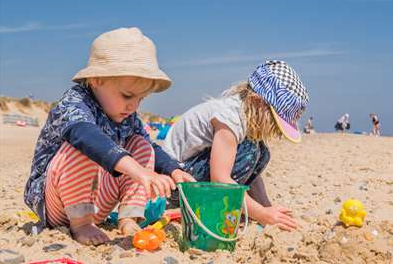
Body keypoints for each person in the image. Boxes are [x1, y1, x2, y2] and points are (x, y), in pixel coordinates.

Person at [24, 27, 194, 246]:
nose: (133, 106)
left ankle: (128, 216)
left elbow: (150, 148)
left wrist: (174, 169)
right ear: (96, 80)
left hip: (98, 203)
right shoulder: (75, 102)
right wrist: (138, 170)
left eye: (141, 99)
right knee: (84, 147)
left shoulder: (127, 116)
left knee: (141, 144)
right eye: (127, 95)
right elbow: (85, 136)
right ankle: (81, 224)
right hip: (55, 202)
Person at [162, 60, 309, 231]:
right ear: (257, 102)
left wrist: (266, 208)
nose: (275, 130)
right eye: (274, 123)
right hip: (174, 185)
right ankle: (214, 204)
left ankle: (233, 203)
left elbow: (253, 176)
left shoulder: (244, 116)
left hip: (189, 176)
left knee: (261, 152)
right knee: (250, 151)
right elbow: (220, 179)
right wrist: (261, 213)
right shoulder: (230, 118)